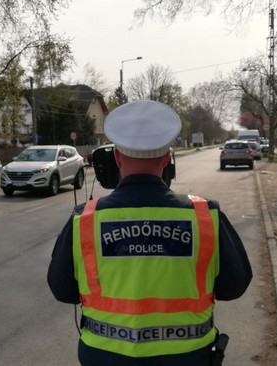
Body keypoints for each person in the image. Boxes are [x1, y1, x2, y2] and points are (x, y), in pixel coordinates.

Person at [47, 100, 252, 365]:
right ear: (167, 159)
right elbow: (234, 286)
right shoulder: (205, 215)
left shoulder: (84, 219)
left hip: (106, 357)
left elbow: (63, 290)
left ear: (117, 158)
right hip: (187, 357)